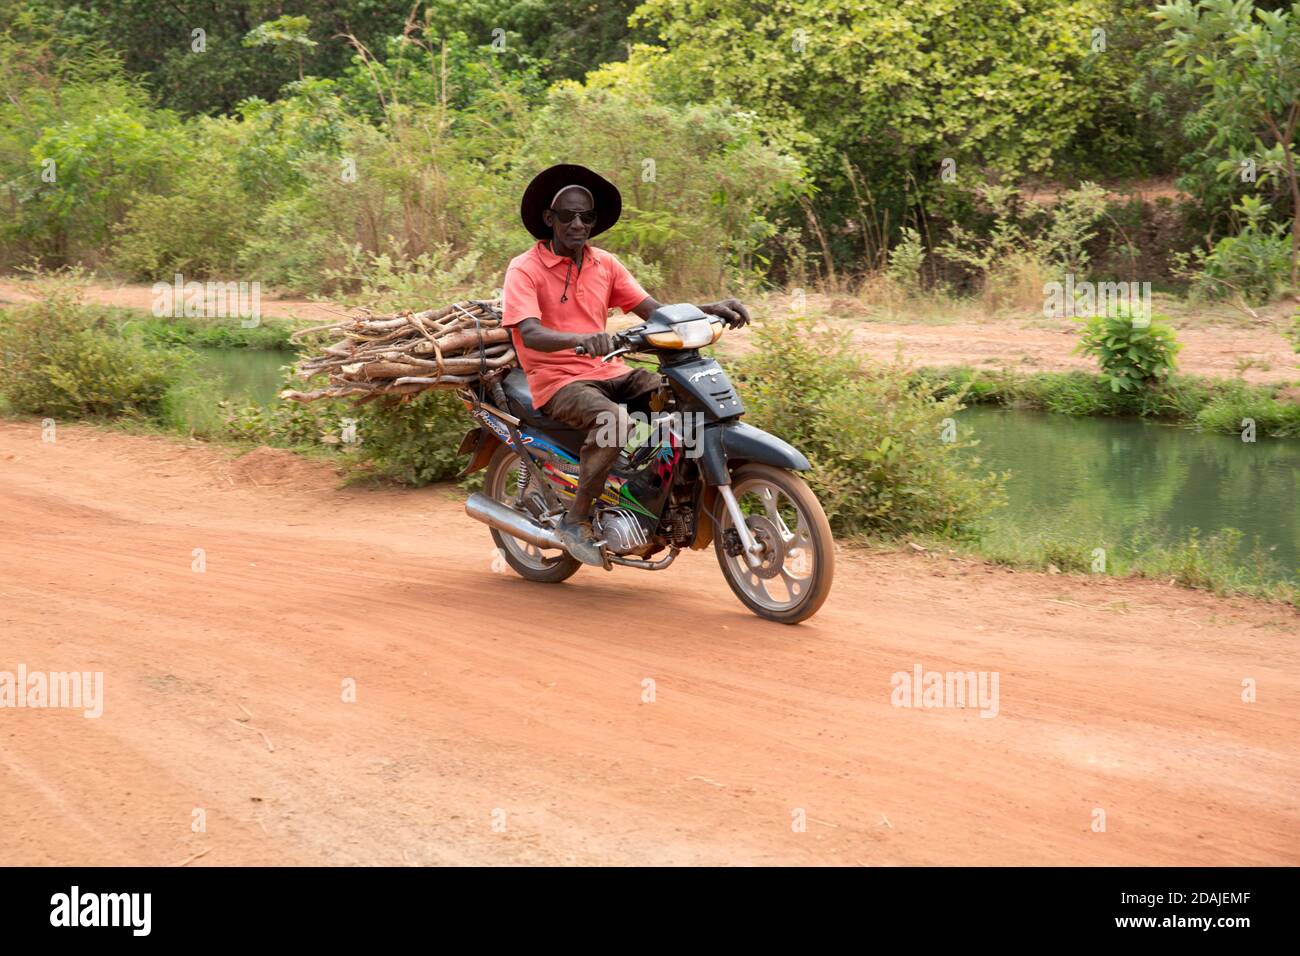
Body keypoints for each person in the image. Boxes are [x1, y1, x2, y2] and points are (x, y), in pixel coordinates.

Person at [501, 163, 750, 566]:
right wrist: (582, 340)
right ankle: (577, 520)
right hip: (557, 379)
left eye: (587, 216)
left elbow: (654, 311)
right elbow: (529, 333)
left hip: (609, 369)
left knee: (681, 398)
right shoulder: (525, 268)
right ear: (549, 219)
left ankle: (652, 494)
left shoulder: (605, 264)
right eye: (567, 215)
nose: (578, 224)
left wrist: (708, 309)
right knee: (613, 422)